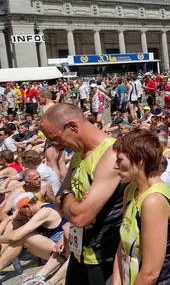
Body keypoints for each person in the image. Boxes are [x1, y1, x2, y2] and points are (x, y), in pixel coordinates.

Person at [41, 103, 127, 285]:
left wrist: (67, 198)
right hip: (80, 250)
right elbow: (58, 198)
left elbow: (80, 216)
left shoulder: (111, 154)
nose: (57, 146)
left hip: (104, 256)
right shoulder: (79, 154)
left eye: (56, 138)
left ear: (73, 126)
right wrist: (70, 200)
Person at [112, 129, 170, 285]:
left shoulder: (153, 201)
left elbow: (151, 272)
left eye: (120, 160)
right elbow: (123, 244)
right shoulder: (130, 190)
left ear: (139, 161)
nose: (115, 166)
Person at [0, 192, 68, 273]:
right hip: (51, 250)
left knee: (22, 237)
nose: (24, 215)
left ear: (28, 206)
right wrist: (8, 219)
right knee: (15, 224)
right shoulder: (39, 211)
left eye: (22, 212)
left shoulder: (45, 212)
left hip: (61, 252)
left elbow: (14, 237)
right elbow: (12, 226)